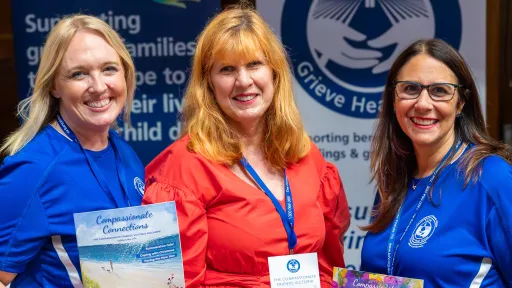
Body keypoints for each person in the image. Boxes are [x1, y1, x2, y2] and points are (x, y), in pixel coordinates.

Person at [143, 4, 350, 287]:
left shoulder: (306, 156)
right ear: (209, 84)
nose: (243, 81)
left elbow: (327, 265)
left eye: (254, 64)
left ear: (275, 73)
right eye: (227, 69)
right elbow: (176, 281)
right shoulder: (184, 167)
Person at [0, 15, 144, 287]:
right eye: (79, 73)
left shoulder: (123, 152)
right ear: (54, 85)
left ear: (125, 73)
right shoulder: (34, 169)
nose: (99, 86)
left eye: (109, 69)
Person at [360, 39, 512, 287]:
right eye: (410, 88)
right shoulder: (393, 181)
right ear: (393, 98)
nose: (422, 104)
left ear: (461, 102)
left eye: (439, 91)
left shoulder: (492, 178)